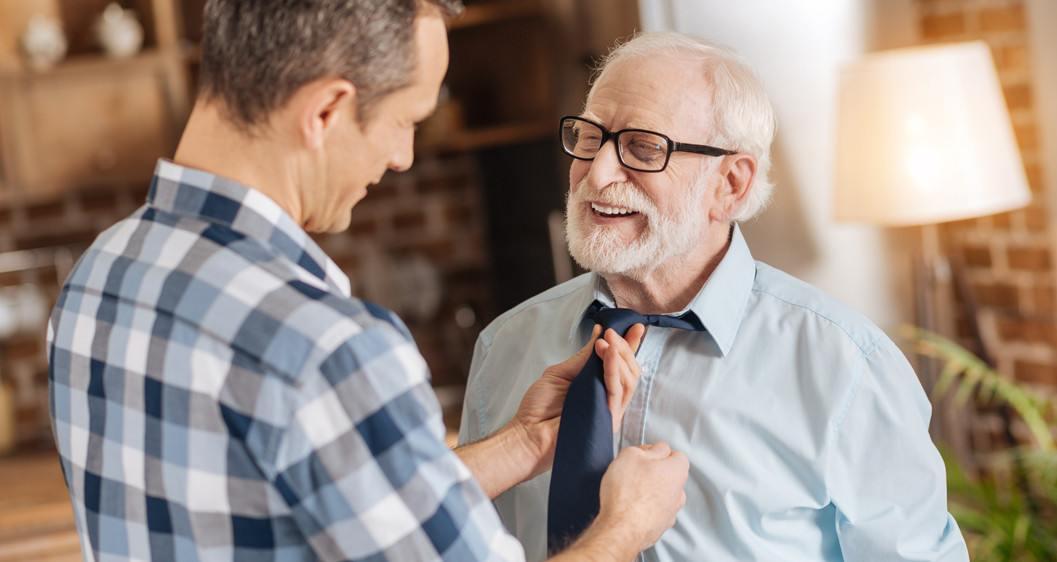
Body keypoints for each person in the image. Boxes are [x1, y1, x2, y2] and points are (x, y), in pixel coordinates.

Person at [45, 1, 690, 560]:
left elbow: (337, 501)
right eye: (407, 120)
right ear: (326, 111)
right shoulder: (325, 346)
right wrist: (623, 527)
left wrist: (523, 445)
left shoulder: (100, 277)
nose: (402, 156)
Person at [460, 31, 970, 561]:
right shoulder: (505, 347)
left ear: (731, 183)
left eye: (643, 147)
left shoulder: (845, 367)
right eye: (591, 138)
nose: (598, 173)